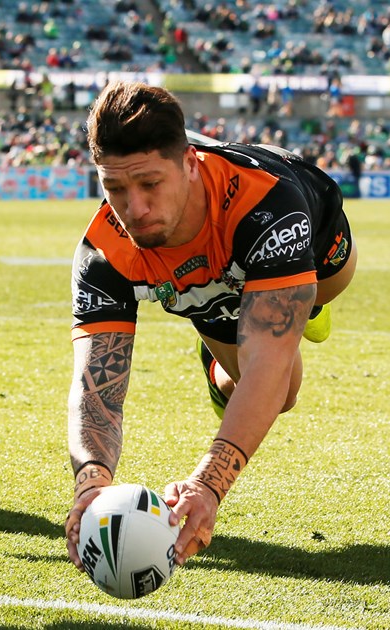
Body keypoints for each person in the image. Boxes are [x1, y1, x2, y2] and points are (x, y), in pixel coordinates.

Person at [63, 82, 358, 568]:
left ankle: (298, 304)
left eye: (150, 185)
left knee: (297, 331)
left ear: (190, 162)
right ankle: (230, 341)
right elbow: (95, 387)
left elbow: (266, 367)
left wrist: (208, 484)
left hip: (312, 241)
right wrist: (91, 479)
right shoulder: (104, 252)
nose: (133, 209)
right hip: (210, 288)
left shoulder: (268, 205)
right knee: (284, 395)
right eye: (114, 189)